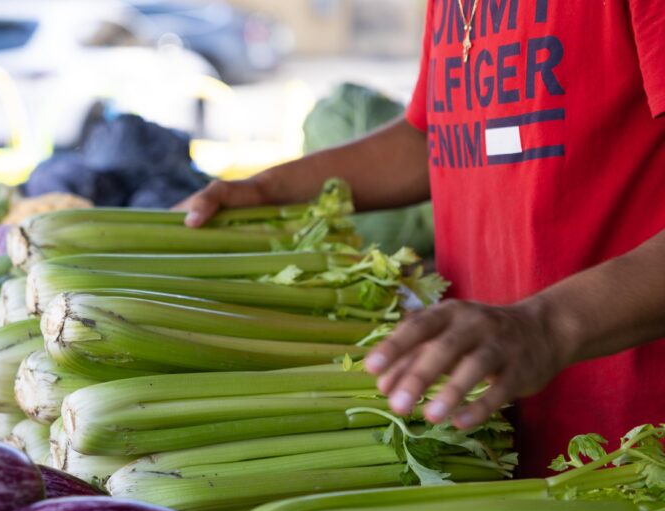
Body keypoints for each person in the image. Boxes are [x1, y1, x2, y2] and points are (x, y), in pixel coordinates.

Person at [178, 1, 665, 477]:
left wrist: (546, 326)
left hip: (630, 451)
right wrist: (265, 191)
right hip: (492, 427)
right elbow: (435, 135)